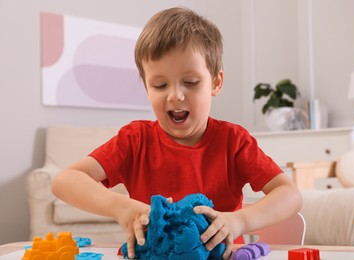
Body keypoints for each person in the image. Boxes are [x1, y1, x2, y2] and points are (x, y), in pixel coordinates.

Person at [51, 7, 302, 259]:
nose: (175, 95)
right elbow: (65, 181)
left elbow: (289, 194)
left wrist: (239, 221)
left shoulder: (233, 142)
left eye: (190, 82)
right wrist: (122, 208)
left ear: (216, 83)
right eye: (160, 85)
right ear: (147, 88)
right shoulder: (135, 139)